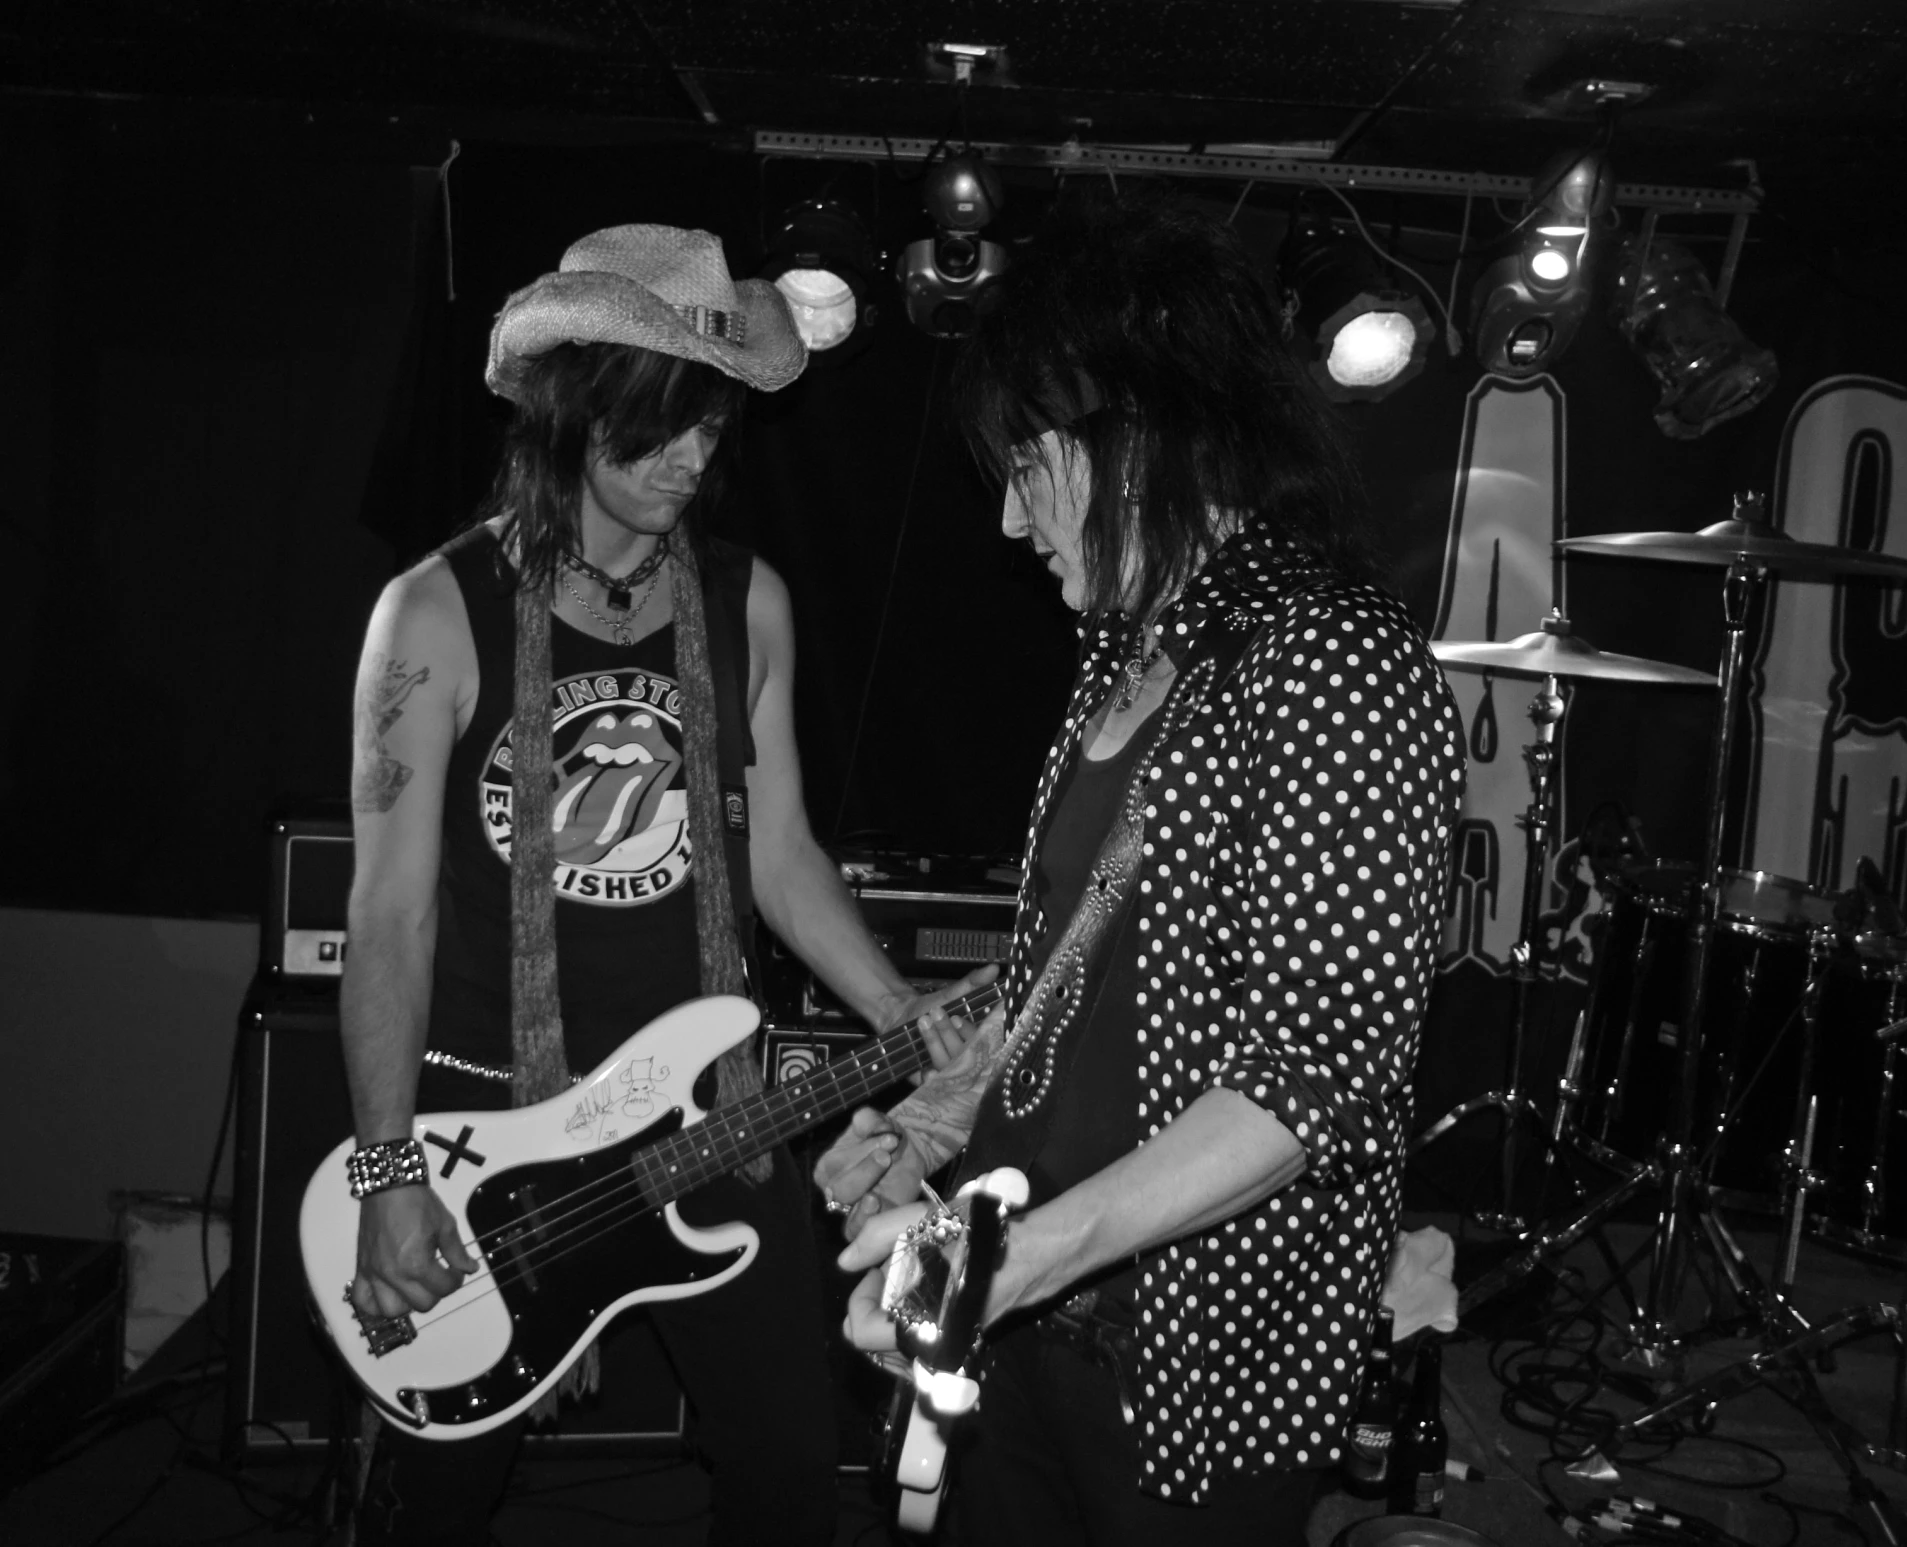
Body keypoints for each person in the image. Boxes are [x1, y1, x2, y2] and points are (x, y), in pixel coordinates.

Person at [813, 195, 1467, 1542]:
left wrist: (996, 1260)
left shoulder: (1335, 661)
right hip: (1025, 1322)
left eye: (1026, 463)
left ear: (1141, 429)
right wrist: (931, 1136)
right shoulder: (1126, 658)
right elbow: (1068, 986)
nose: (1006, 519)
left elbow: (1306, 1078)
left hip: (1191, 1362)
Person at [338, 224, 969, 1545]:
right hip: (487, 1121)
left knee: (792, 1477)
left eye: (713, 429)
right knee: (436, 1501)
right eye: (664, 425)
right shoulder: (434, 611)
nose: (694, 459)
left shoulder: (749, 600)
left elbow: (782, 855)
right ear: (578, 407)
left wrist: (914, 1021)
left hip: (712, 1117)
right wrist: (388, 1170)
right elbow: (388, 913)